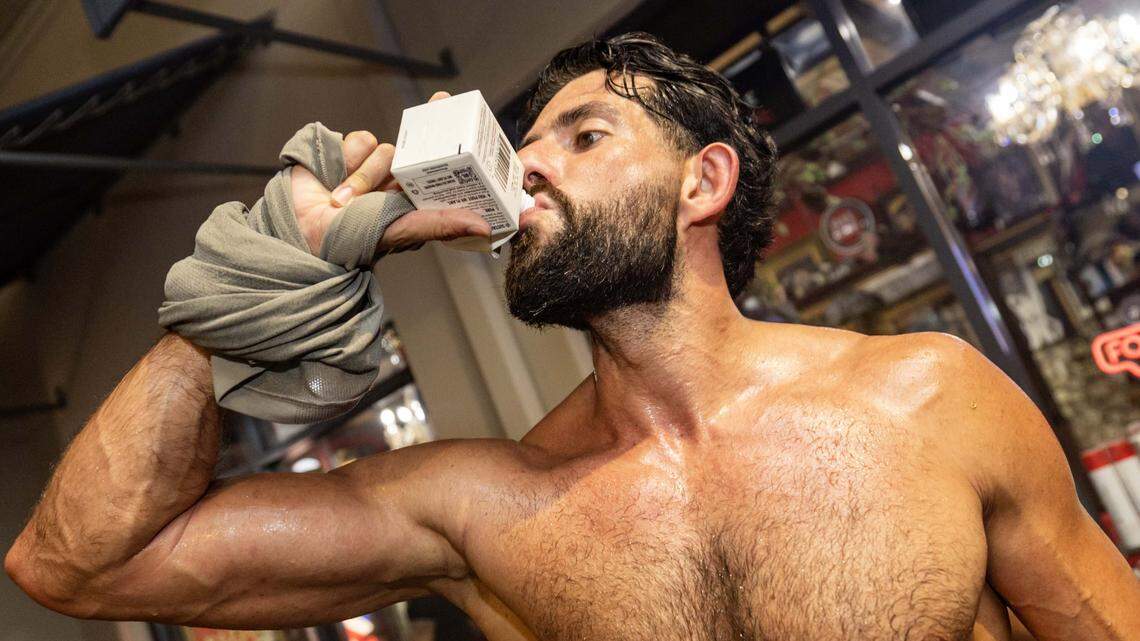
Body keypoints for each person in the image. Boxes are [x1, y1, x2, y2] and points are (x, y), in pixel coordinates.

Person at [6, 33, 1139, 641]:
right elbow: (78, 563)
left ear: (705, 181)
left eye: (583, 135)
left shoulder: (930, 399)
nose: (528, 165)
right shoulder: (484, 501)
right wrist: (236, 297)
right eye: (524, 142)